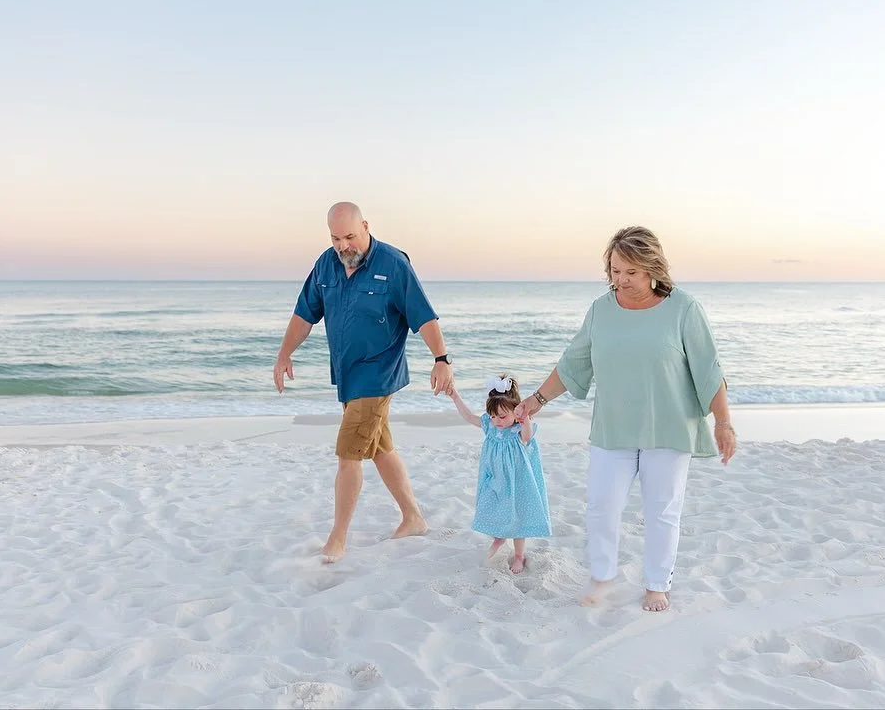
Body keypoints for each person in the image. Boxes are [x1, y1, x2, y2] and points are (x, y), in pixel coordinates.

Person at [513, 225, 736, 612]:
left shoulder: (684, 309)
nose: (621, 280)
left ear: (653, 268)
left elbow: (708, 370)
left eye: (631, 272)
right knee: (601, 505)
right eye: (615, 271)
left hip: (668, 426)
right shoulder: (601, 309)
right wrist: (536, 400)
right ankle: (601, 577)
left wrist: (722, 422)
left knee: (662, 510)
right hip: (613, 427)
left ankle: (656, 585)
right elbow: (574, 363)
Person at [273, 202, 455, 563]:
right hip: (347, 374)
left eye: (350, 236)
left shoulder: (393, 264)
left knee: (347, 456)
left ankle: (337, 539)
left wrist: (441, 359)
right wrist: (283, 354)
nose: (343, 246)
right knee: (380, 448)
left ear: (366, 227)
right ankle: (413, 517)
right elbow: (303, 314)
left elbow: (424, 315)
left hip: (377, 374)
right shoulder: (327, 263)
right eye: (336, 238)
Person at [446, 374, 551, 574]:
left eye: (502, 416)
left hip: (516, 482)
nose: (497, 421)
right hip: (494, 478)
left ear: (515, 413)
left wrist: (525, 417)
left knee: (518, 518)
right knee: (492, 506)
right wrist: (455, 396)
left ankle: (519, 556)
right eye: (493, 416)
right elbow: (469, 417)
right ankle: (499, 537)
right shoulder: (490, 427)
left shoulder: (519, 430)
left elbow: (528, 436)